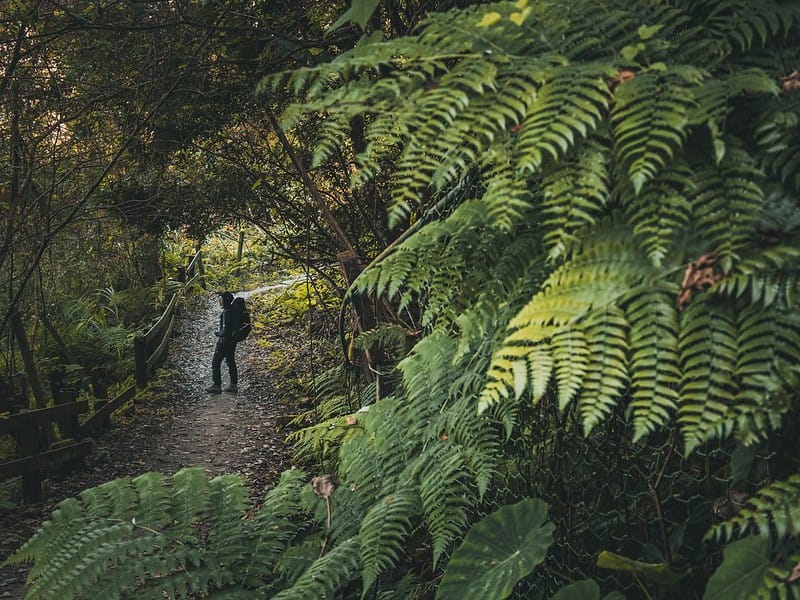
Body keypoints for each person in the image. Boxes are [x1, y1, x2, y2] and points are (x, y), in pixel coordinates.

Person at [206, 291, 238, 393]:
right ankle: (233, 385)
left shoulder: (227, 313)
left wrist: (217, 333)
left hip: (224, 342)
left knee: (215, 362)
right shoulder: (233, 310)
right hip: (232, 342)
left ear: (225, 301)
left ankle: (217, 385)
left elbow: (226, 330)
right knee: (230, 361)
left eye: (221, 299)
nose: (220, 301)